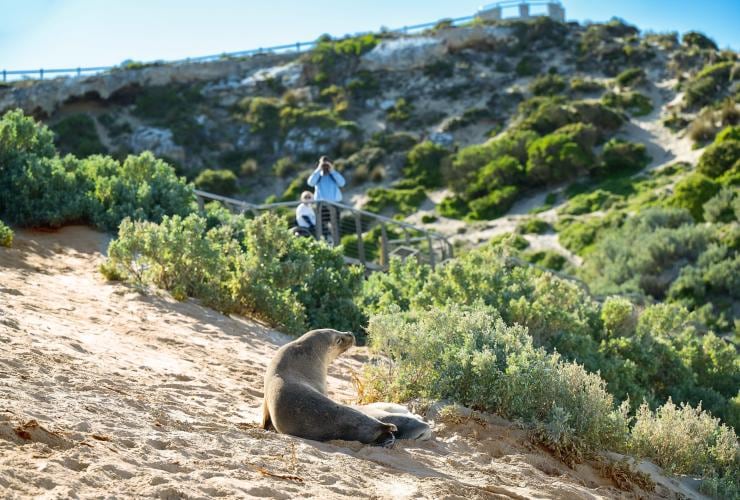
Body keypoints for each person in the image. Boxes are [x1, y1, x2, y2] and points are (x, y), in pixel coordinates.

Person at [307, 156, 345, 243]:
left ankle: (337, 245)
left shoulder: (334, 175)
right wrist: (318, 169)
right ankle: (324, 244)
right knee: (322, 227)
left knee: (336, 227)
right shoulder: (318, 176)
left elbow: (342, 183)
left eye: (327, 164)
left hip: (334, 205)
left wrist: (332, 170)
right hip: (321, 206)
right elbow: (310, 183)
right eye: (323, 164)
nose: (325, 166)